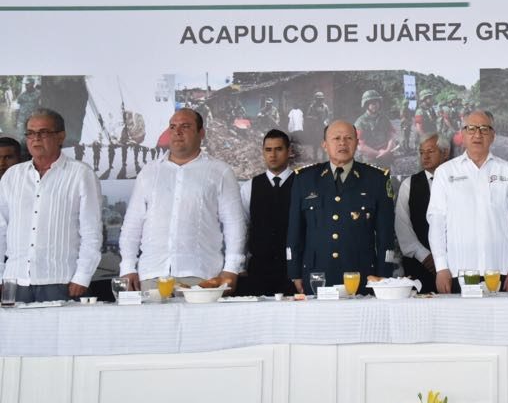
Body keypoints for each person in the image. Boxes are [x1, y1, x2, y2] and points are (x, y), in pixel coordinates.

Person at [119, 108, 247, 292]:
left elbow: (234, 224)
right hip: (151, 274)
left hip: (201, 275)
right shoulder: (149, 172)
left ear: (201, 133)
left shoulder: (220, 172)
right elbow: (132, 224)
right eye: (173, 127)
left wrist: (231, 269)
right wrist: (128, 267)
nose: (177, 132)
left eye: (185, 126)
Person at [0, 109, 101, 302]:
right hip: (16, 280)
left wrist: (83, 276)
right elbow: (1, 229)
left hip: (61, 281)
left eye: (43, 132)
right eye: (30, 133)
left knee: (63, 333)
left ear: (60, 136)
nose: (36, 138)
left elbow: (91, 232)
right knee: (17, 333)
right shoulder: (13, 176)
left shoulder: (80, 174)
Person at [427, 110, 508, 293]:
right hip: (457, 272)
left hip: (502, 271)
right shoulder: (445, 173)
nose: (477, 134)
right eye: (471, 129)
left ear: (493, 136)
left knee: (501, 321)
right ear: (462, 135)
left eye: (484, 129)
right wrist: (441, 267)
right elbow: (436, 223)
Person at [287, 120, 395, 295]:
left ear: (357, 143)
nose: (342, 143)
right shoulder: (304, 179)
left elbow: (386, 235)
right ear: (324, 144)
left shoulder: (377, 179)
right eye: (336, 138)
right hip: (317, 275)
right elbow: (295, 232)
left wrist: (384, 275)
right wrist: (294, 273)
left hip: (362, 276)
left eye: (348, 138)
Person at [237, 130, 295, 296]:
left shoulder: (302, 184)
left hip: (292, 272)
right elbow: (241, 229)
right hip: (258, 270)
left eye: (279, 149)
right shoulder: (249, 187)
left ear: (289, 151)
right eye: (268, 150)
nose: (273, 155)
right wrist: (239, 266)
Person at [394, 134, 450, 293]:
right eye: (421, 152)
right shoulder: (409, 184)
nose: (425, 156)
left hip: (455, 264)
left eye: (430, 151)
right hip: (419, 265)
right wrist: (425, 256)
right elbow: (402, 227)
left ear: (445, 153)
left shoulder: (457, 182)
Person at [354, 89, 398, 167]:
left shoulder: (384, 118)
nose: (375, 104)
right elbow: (361, 146)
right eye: (371, 102)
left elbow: (391, 134)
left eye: (376, 102)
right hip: (370, 159)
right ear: (366, 104)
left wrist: (387, 150)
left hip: (385, 157)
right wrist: (379, 154)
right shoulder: (360, 122)